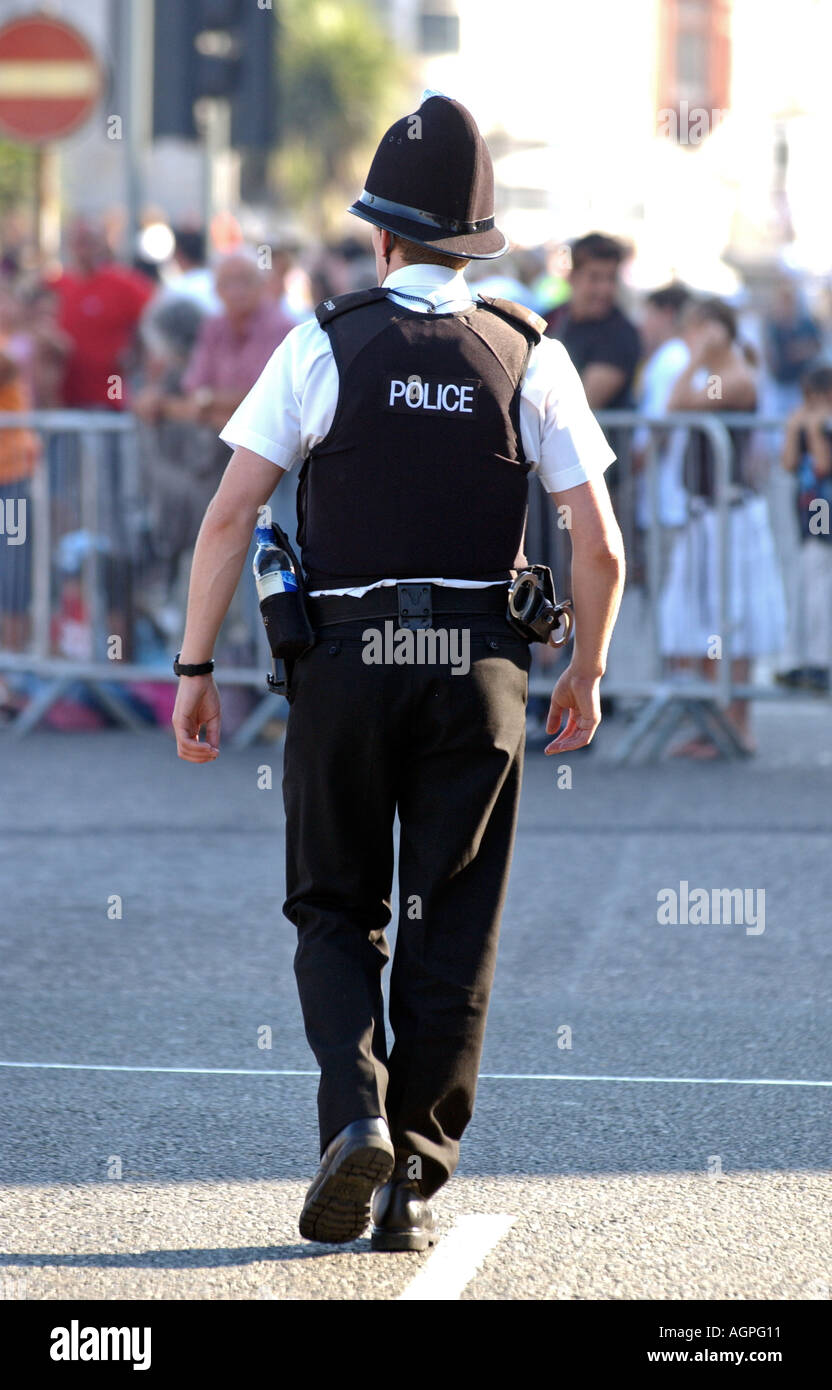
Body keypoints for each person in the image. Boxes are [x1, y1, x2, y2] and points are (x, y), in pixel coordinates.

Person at [170, 94, 624, 1251]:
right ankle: (411, 1185)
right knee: (452, 921)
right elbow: (598, 542)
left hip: (345, 662)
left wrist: (190, 665)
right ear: (474, 244)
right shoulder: (531, 352)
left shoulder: (322, 340)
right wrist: (586, 668)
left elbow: (229, 517)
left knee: (335, 906)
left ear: (380, 237)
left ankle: (352, 1114)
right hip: (479, 669)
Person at [659, 297, 787, 755]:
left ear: (718, 330)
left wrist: (698, 357)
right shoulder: (715, 374)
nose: (690, 340)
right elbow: (672, 407)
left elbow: (680, 403)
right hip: (706, 516)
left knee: (731, 618)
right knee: (700, 617)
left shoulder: (737, 377)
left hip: (731, 518)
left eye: (697, 330)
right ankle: (714, 723)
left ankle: (736, 725)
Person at [47, 218, 155, 408]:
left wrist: (136, 352)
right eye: (79, 241)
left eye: (89, 240)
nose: (84, 248)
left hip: (112, 388)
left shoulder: (123, 284)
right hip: (65, 394)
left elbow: (156, 314)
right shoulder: (55, 285)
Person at [776, 365, 832, 693]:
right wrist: (794, 429)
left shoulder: (822, 425)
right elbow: (787, 463)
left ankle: (819, 661)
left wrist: (813, 429)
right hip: (807, 514)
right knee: (805, 586)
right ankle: (799, 659)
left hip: (824, 517)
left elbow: (823, 464)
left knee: (820, 591)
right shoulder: (807, 421)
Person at [544, 232, 641, 412]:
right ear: (573, 277)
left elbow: (583, 404)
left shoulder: (620, 334)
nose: (604, 289)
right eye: (594, 277)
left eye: (611, 278)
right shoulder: (550, 319)